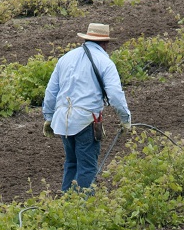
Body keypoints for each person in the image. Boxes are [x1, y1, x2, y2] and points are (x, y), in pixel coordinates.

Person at [41, 22, 132, 192]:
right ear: (105, 43)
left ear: (87, 39)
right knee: (87, 166)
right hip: (86, 120)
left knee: (71, 162)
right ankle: (82, 204)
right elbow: (115, 95)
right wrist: (125, 119)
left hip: (62, 119)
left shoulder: (65, 58)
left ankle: (65, 202)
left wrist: (48, 117)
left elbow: (51, 92)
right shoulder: (105, 62)